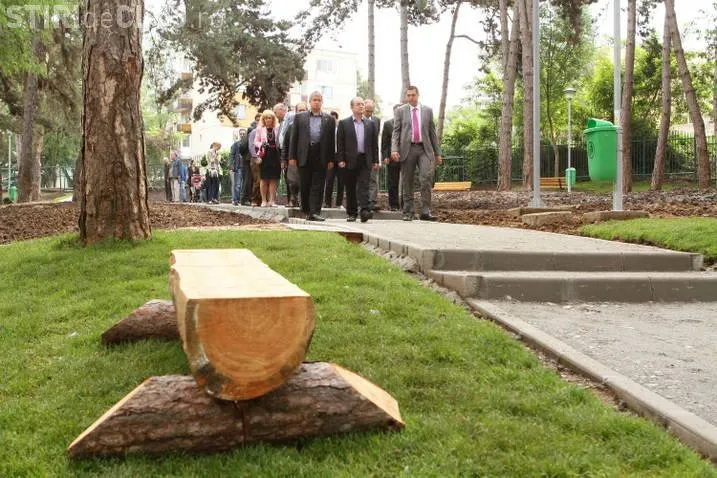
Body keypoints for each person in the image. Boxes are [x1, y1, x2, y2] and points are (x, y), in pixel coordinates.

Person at [391, 85, 442, 221]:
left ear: (418, 95)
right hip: (407, 150)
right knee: (407, 181)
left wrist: (437, 153)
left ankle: (425, 211)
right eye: (408, 95)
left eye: (413, 95)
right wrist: (394, 149)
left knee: (426, 179)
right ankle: (408, 211)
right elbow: (396, 132)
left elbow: (432, 132)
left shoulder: (427, 111)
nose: (410, 98)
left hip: (424, 149)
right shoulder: (400, 111)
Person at [288, 91, 336, 221]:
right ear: (310, 102)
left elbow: (331, 141)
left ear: (322, 102)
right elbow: (294, 138)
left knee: (318, 185)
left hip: (321, 154)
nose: (317, 102)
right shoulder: (300, 117)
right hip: (304, 154)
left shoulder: (329, 119)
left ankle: (315, 212)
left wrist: (331, 159)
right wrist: (292, 156)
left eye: (319, 100)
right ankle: (306, 209)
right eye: (314, 100)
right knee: (305, 184)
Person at [336, 97, 379, 223]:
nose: (361, 106)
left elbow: (374, 144)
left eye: (362, 104)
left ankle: (364, 210)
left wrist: (376, 160)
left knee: (364, 185)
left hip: (365, 159)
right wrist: (340, 159)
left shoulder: (370, 124)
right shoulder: (344, 123)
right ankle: (352, 213)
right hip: (349, 160)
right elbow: (340, 143)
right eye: (358, 104)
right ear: (352, 107)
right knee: (350, 187)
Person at [280, 103, 307, 207]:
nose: (302, 112)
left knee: (304, 181)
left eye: (304, 110)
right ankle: (292, 200)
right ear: (296, 112)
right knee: (292, 181)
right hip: (292, 159)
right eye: (300, 110)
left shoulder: (310, 126)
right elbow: (285, 145)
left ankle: (303, 201)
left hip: (306, 158)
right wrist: (283, 159)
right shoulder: (291, 127)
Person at [253, 110, 282, 207]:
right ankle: (264, 200)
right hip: (265, 155)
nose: (268, 120)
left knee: (274, 179)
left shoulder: (277, 128)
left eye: (270, 118)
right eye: (266, 118)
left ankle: (272, 201)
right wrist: (262, 144)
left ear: (273, 119)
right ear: (263, 119)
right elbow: (255, 142)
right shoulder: (260, 129)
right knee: (264, 179)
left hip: (275, 155)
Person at [382, 104, 402, 211]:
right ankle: (393, 205)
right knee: (392, 182)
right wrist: (385, 156)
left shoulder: (408, 123)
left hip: (406, 157)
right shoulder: (388, 124)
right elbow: (384, 142)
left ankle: (405, 204)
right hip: (392, 157)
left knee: (406, 182)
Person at [323, 111, 344, 209]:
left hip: (340, 158)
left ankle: (339, 203)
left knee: (341, 182)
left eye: (334, 119)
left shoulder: (342, 129)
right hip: (330, 159)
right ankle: (327, 203)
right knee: (329, 181)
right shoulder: (326, 130)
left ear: (336, 119)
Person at [364, 99, 381, 211]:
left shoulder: (376, 120)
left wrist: (376, 160)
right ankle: (362, 201)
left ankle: (372, 201)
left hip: (371, 155)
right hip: (360, 154)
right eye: (367, 111)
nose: (369, 113)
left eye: (371, 111)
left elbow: (375, 141)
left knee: (373, 179)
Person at [247, 124, 262, 206]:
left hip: (265, 158)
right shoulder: (254, 132)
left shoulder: (266, 132)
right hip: (255, 159)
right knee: (257, 180)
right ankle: (255, 199)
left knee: (264, 181)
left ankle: (263, 200)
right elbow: (251, 145)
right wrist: (255, 157)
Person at [229, 132, 244, 206]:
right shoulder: (236, 144)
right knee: (237, 185)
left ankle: (242, 200)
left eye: (243, 134)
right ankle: (236, 200)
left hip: (246, 167)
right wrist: (231, 165)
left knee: (244, 185)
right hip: (238, 167)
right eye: (241, 134)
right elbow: (231, 155)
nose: (242, 135)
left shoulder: (247, 143)